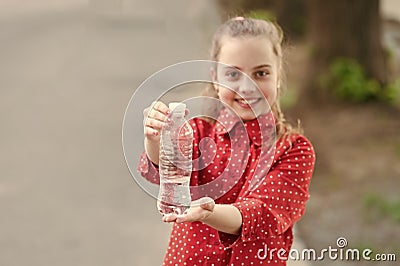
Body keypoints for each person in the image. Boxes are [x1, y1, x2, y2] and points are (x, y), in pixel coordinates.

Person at [138, 17, 315, 265]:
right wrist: (155, 137)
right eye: (233, 74)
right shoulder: (197, 131)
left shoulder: (294, 150)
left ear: (278, 76)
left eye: (261, 73)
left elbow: (263, 214)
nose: (247, 86)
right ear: (215, 78)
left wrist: (209, 213)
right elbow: (164, 169)